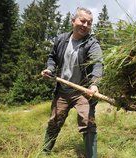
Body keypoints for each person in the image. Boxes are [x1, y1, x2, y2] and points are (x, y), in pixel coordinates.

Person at [41, 7, 103, 157]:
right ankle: (44, 152)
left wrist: (94, 84)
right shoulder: (61, 39)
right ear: (73, 21)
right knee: (54, 122)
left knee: (88, 122)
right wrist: (50, 69)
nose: (85, 25)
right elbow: (52, 57)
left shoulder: (91, 43)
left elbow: (97, 64)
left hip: (83, 91)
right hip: (62, 90)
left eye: (89, 23)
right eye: (82, 21)